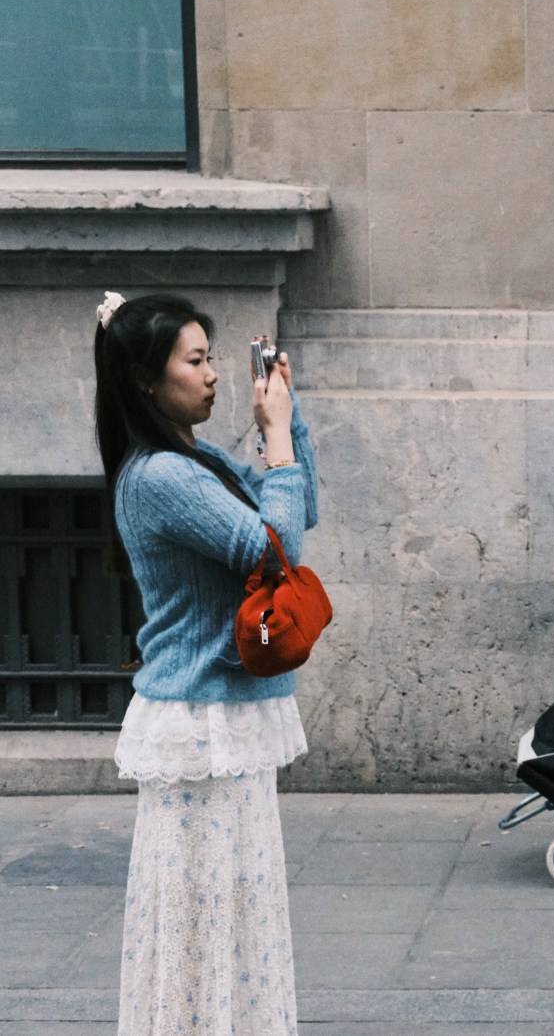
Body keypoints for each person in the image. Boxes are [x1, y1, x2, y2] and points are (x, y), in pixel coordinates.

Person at [94, 291, 318, 1035]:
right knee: (206, 917)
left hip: (222, 715)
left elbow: (297, 512)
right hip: (201, 723)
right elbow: (275, 551)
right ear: (145, 381)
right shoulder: (161, 477)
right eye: (195, 360)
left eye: (212, 357)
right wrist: (278, 443)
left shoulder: (197, 459)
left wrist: (286, 426)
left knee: (237, 915)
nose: (213, 374)